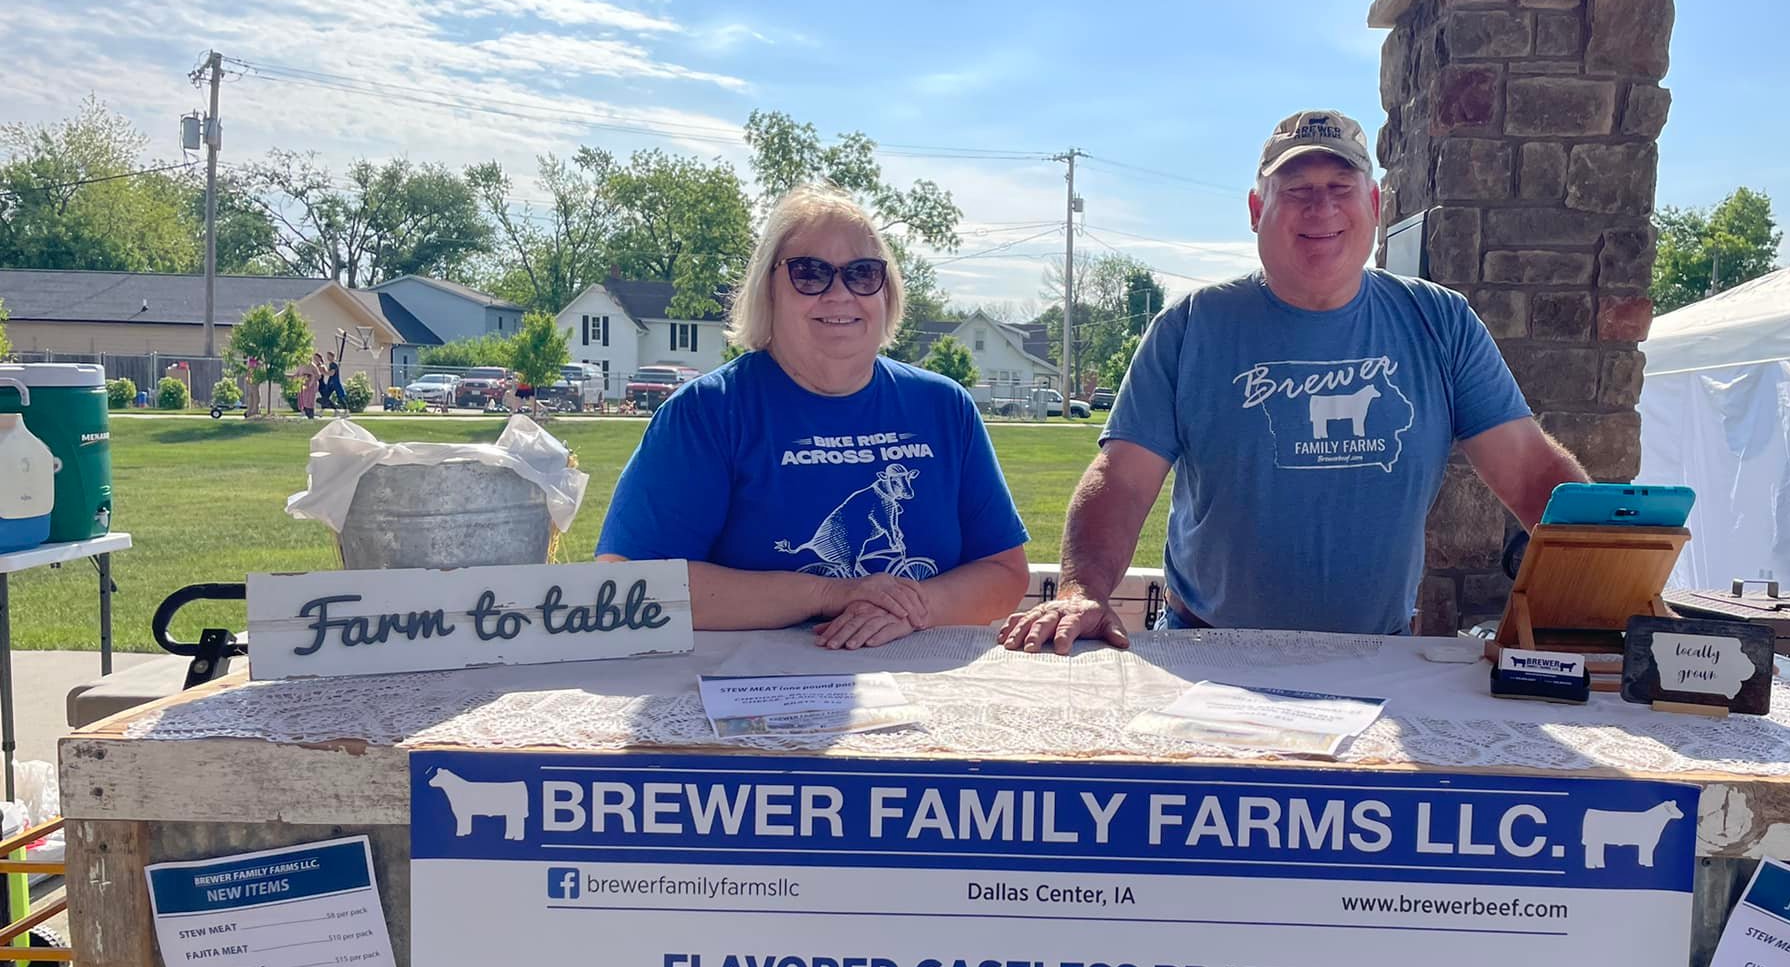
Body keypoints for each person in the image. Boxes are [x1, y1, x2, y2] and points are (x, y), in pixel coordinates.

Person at [1001, 109, 1586, 651]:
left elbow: (1531, 471)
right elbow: (1123, 479)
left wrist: (1603, 577)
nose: (1321, 208)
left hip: (1376, 652)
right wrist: (1084, 592)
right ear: (1258, 210)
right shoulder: (1191, 326)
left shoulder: (1441, 321)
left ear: (1375, 204)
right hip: (1212, 651)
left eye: (1340, 188)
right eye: (1297, 190)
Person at [597, 184, 1030, 649]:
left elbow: (1003, 572)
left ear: (886, 292)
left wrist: (910, 608)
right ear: (769, 289)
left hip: (918, 688)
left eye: (863, 274)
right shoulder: (706, 413)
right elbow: (630, 585)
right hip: (744, 696)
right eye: (810, 273)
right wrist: (831, 593)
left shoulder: (945, 407)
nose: (839, 293)